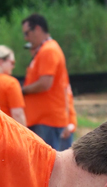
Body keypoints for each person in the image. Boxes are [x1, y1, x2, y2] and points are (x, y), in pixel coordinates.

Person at [20, 13, 71, 150]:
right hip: (42, 119)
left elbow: (45, 83)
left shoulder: (49, 50)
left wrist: (21, 91)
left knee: (49, 167)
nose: (26, 38)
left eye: (27, 33)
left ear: (37, 29)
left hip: (47, 120)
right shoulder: (43, 50)